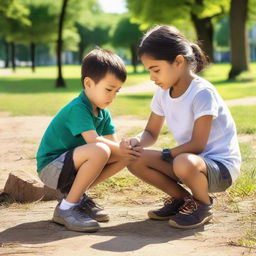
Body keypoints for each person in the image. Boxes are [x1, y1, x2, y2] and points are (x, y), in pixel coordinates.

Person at [126, 25, 241, 229]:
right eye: (149, 71)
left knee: (183, 162)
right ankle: (184, 200)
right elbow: (151, 132)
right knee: (134, 159)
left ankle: (204, 205)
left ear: (178, 61)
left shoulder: (202, 93)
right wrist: (136, 141)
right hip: (187, 161)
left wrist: (169, 153)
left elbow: (198, 144)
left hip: (220, 169)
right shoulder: (162, 93)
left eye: (156, 70)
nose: (152, 77)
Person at [36, 48, 140, 232]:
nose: (112, 96)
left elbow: (115, 147)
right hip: (51, 168)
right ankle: (66, 208)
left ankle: (78, 197)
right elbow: (94, 140)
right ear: (89, 83)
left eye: (117, 91)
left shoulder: (103, 112)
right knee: (100, 149)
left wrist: (127, 149)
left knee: (123, 156)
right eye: (108, 89)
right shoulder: (78, 108)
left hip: (70, 168)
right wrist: (120, 148)